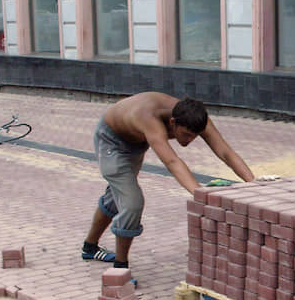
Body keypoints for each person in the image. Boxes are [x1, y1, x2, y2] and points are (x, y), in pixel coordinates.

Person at [80, 92, 255, 273]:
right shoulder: (150, 119)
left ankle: (89, 248)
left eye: (194, 136)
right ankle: (120, 268)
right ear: (173, 123)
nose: (189, 141)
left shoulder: (197, 117)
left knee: (118, 196)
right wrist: (200, 194)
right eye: (186, 135)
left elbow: (225, 152)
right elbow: (172, 162)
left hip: (136, 141)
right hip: (111, 141)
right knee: (132, 203)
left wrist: (254, 183)